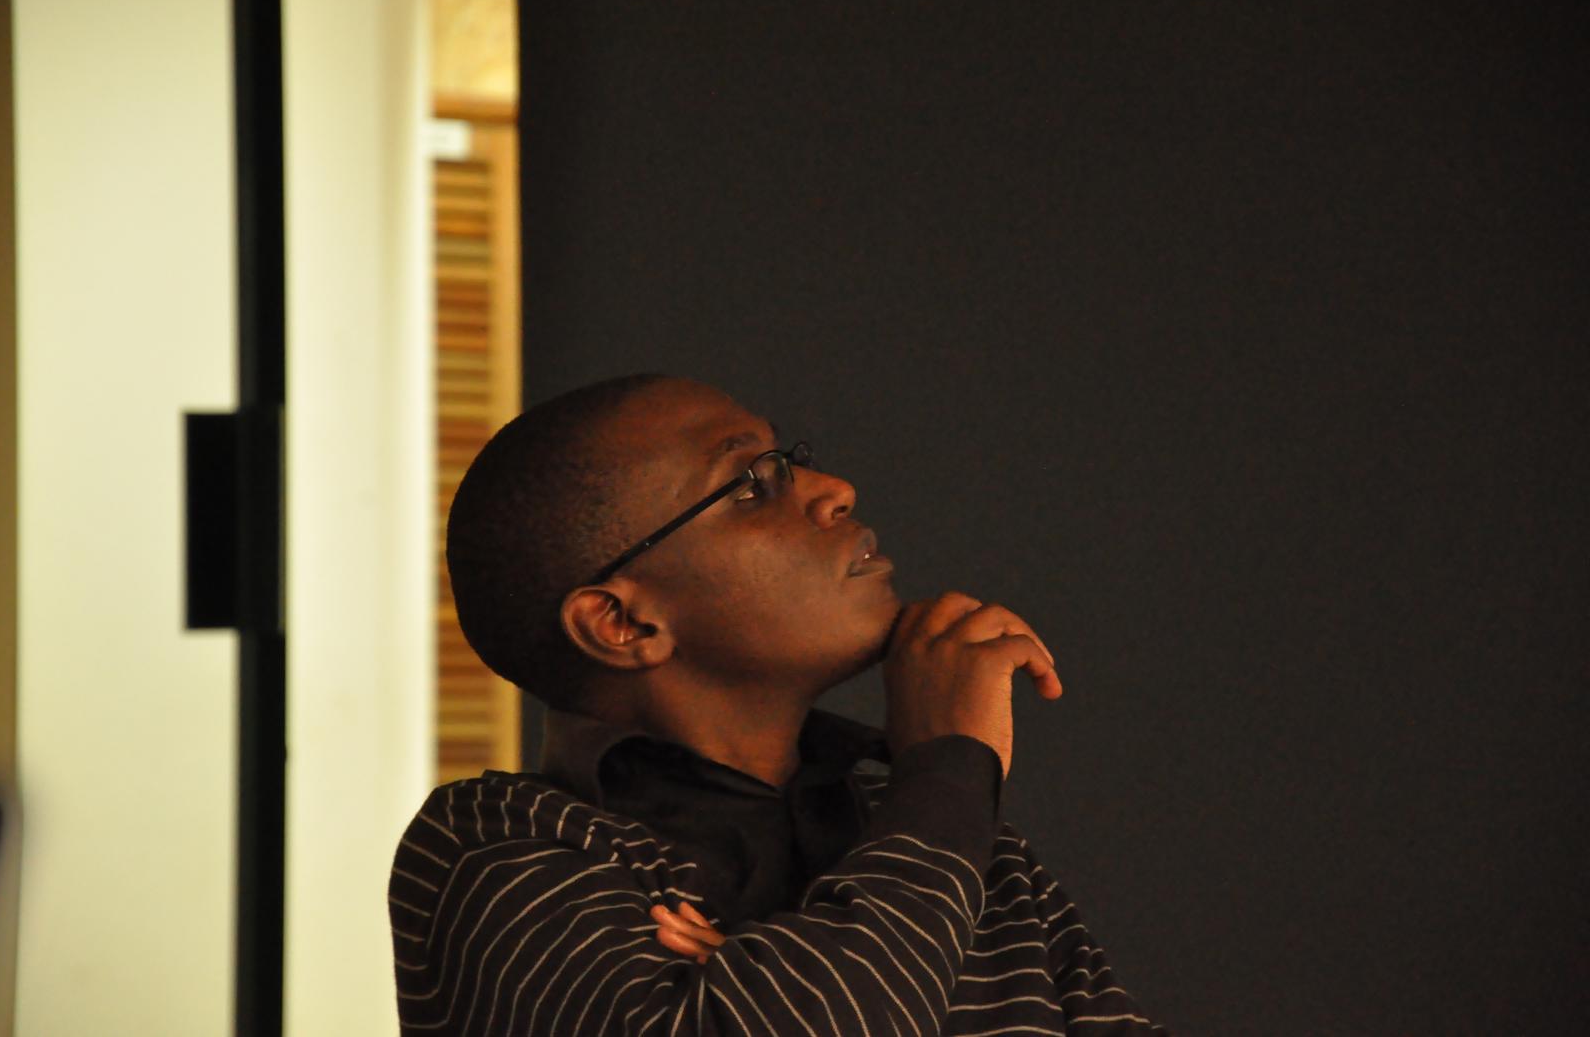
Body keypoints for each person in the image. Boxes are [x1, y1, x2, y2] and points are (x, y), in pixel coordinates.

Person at [390, 373, 1168, 1035]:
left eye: (792, 462)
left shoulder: (928, 830)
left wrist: (774, 981)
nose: (835, 491)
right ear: (623, 622)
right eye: (753, 485)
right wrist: (949, 765)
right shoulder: (497, 855)